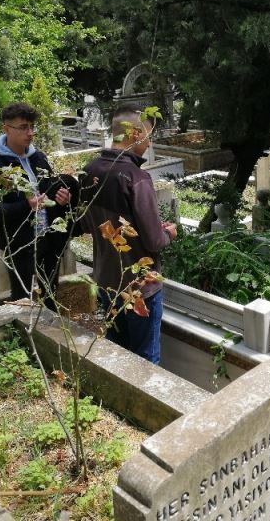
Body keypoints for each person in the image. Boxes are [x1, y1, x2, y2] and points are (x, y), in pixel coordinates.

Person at [79, 105, 177, 364]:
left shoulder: (89, 171)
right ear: (135, 133)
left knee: (118, 353)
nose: (149, 142)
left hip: (106, 280)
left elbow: (87, 225)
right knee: (146, 358)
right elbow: (154, 241)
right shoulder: (136, 177)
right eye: (148, 135)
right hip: (140, 287)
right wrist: (169, 233)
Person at [0, 103, 78, 309]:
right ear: (6, 129)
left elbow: (49, 191)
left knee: (50, 290)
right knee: (21, 296)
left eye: (32, 126)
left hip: (49, 237)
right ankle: (24, 327)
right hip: (19, 243)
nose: (30, 133)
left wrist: (62, 198)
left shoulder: (38, 157)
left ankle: (50, 324)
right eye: (23, 127)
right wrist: (26, 205)